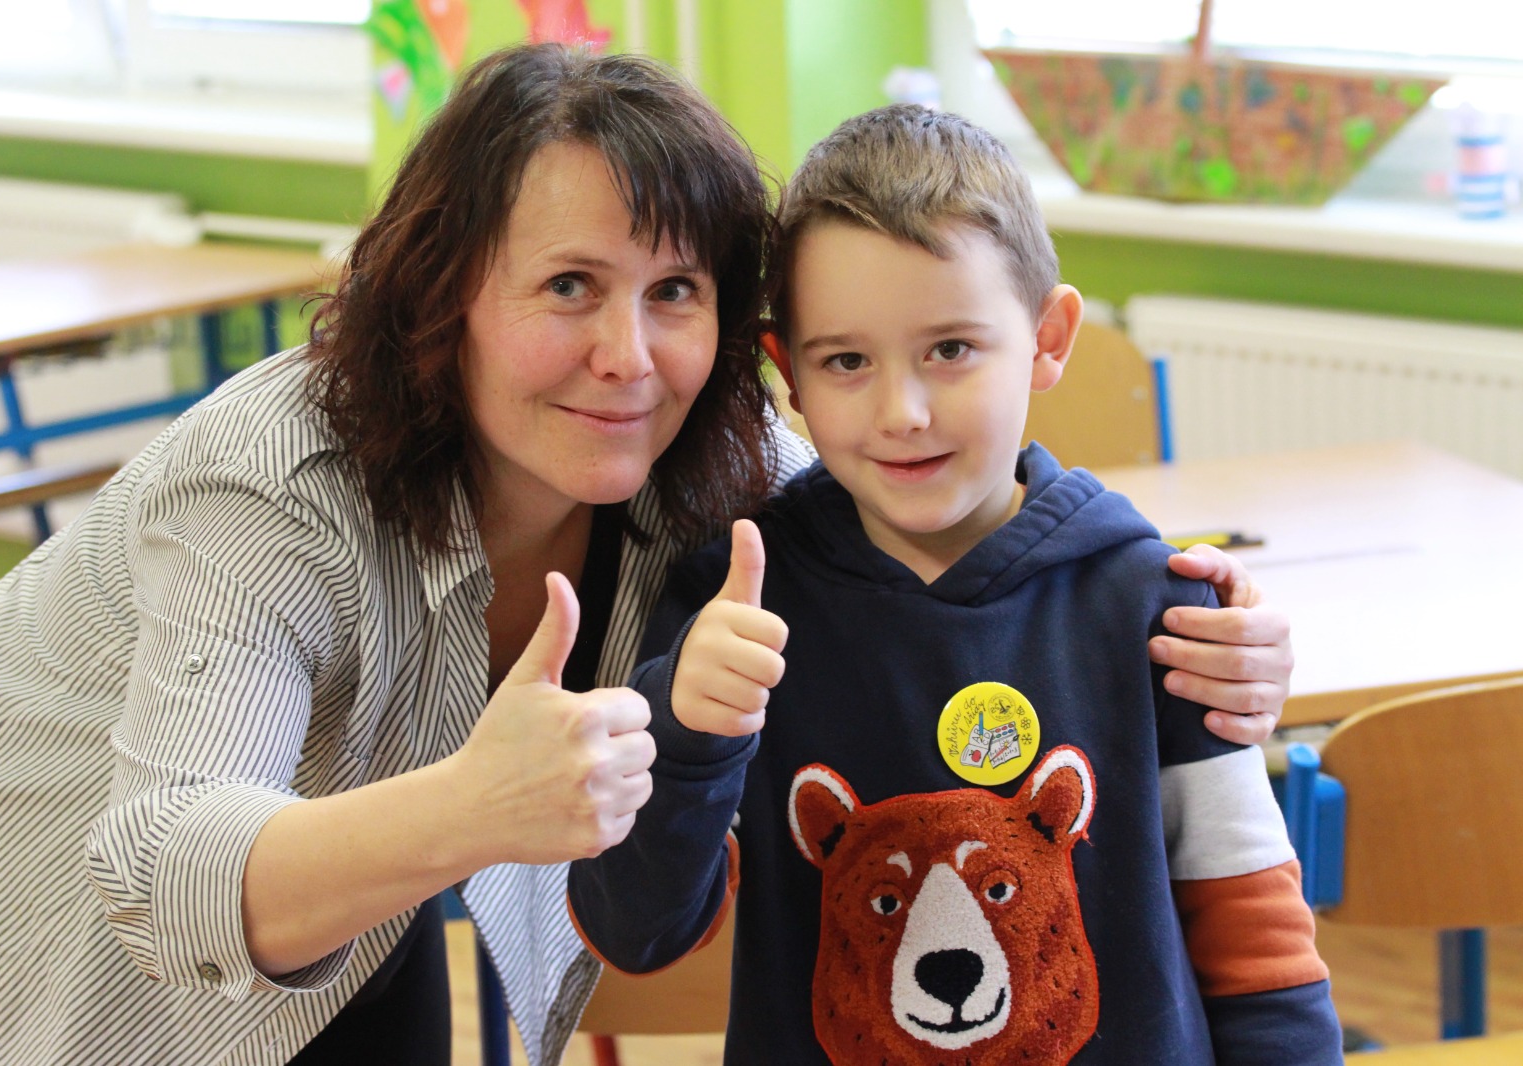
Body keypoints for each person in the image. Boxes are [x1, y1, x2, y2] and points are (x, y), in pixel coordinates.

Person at [0, 46, 1293, 1066]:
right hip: (16, 922)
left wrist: (1204, 629)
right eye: (570, 284)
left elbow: (923, 523)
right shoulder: (273, 481)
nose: (629, 357)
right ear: (448, 290)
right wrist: (469, 809)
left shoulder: (725, 465)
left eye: (675, 291)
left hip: (345, 905)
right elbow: (159, 871)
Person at [568, 105, 1341, 1064]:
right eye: (847, 361)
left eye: (950, 350)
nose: (903, 411)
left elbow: (1253, 928)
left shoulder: (1154, 607)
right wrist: (686, 731)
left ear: (1048, 337)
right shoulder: (732, 608)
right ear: (787, 373)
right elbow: (636, 930)